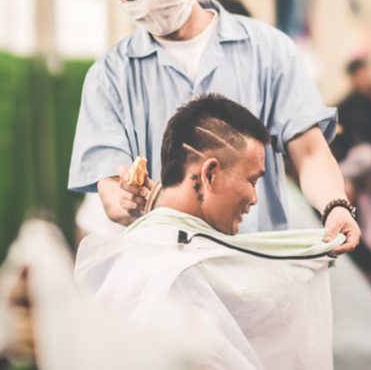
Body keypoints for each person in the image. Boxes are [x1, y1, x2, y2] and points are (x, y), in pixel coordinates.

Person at [68, 0, 359, 254]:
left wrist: (334, 206)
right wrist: (127, 199)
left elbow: (309, 152)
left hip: (257, 264)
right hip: (166, 275)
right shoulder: (109, 78)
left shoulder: (268, 50)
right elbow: (110, 191)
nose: (148, 4)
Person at [74, 95, 343, 369]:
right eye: (251, 180)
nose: (254, 198)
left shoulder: (144, 254)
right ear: (209, 174)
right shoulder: (178, 273)